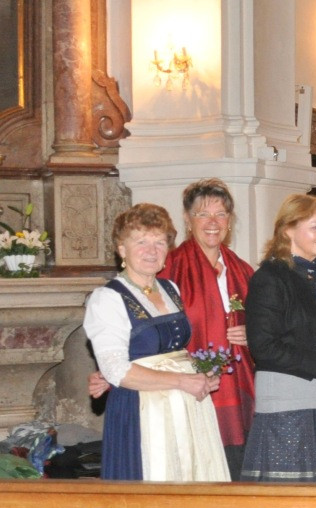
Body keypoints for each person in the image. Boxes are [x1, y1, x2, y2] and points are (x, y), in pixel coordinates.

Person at [84, 204, 229, 482]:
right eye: (141, 242)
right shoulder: (108, 298)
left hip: (187, 409)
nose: (151, 251)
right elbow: (117, 371)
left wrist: (200, 375)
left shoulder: (170, 289)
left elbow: (174, 351)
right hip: (141, 410)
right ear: (121, 249)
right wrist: (182, 382)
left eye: (159, 242)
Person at [241, 194, 316, 482]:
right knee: (290, 500)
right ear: (288, 229)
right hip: (286, 403)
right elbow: (265, 347)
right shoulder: (270, 277)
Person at [161, 178, 255, 479]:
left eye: (221, 214)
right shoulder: (170, 268)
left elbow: (266, 326)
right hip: (191, 391)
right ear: (188, 220)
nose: (213, 222)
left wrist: (252, 335)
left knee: (239, 473)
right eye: (203, 214)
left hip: (239, 389)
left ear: (230, 221)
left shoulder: (243, 270)